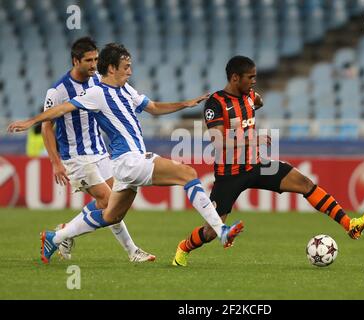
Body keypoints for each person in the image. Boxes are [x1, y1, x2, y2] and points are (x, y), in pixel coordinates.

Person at [8, 43, 244, 264]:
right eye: (126, 66)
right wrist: (31, 121)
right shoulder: (97, 93)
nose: (130, 71)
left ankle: (55, 238)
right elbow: (62, 108)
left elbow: (152, 108)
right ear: (111, 68)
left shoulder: (126, 89)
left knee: (111, 215)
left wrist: (185, 103)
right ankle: (221, 231)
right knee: (187, 172)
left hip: (122, 164)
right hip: (129, 161)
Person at [172, 56, 364, 267]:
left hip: (257, 165)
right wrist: (252, 137)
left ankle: (349, 224)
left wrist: (255, 102)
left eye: (255, 77)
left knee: (305, 183)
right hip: (229, 175)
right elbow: (219, 141)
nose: (254, 81)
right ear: (234, 77)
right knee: (212, 231)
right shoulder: (215, 103)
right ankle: (183, 248)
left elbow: (257, 101)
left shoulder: (249, 95)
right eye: (250, 77)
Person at [41, 37, 153, 262]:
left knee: (115, 205)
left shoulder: (97, 83)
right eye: (88, 60)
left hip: (101, 153)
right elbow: (46, 128)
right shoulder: (58, 91)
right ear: (75, 61)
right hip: (77, 157)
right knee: (110, 201)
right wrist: (55, 162)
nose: (94, 65)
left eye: (96, 60)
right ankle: (132, 251)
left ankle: (61, 233)